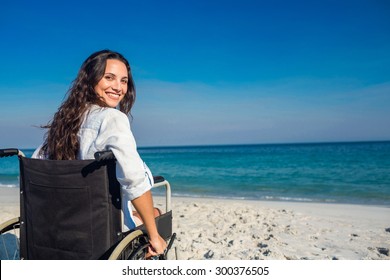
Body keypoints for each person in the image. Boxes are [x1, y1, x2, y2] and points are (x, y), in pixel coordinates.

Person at [32, 49, 167, 256]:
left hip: (61, 224)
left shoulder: (64, 123)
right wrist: (154, 236)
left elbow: (40, 165)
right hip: (100, 230)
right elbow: (134, 180)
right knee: (158, 215)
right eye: (109, 78)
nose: (118, 87)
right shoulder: (112, 119)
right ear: (91, 79)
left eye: (124, 81)